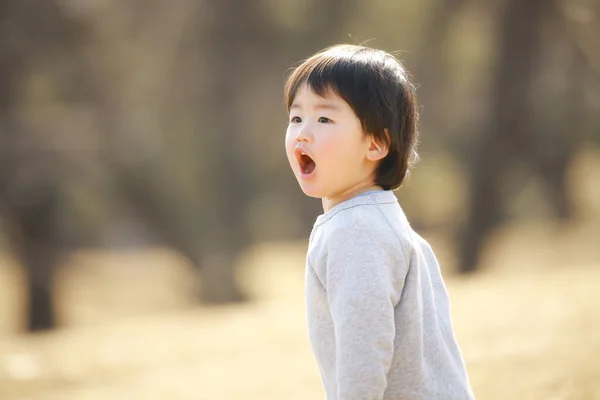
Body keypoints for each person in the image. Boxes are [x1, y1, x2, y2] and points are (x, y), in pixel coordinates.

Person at [283, 44, 475, 400]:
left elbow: (364, 351)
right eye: (296, 118)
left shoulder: (356, 231)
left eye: (324, 118)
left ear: (375, 144)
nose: (303, 133)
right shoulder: (377, 219)